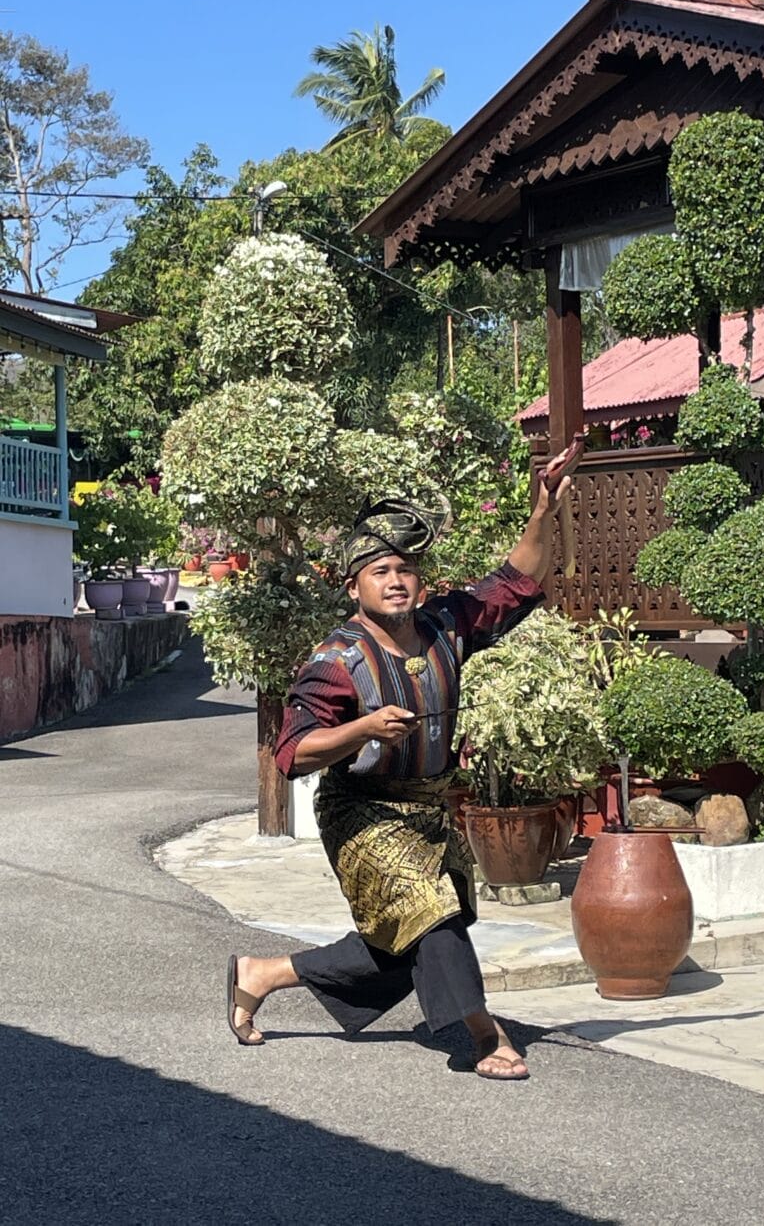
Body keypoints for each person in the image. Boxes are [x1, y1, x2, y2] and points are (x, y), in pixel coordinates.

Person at [227, 441, 582, 1080]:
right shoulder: (335, 661)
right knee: (432, 914)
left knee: (403, 941)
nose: (395, 581)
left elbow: (516, 581)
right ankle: (482, 1033)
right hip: (361, 812)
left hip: (430, 809)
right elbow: (292, 754)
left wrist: (543, 509)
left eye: (405, 570)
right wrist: (362, 728)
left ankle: (266, 973)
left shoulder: (449, 624)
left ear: (421, 581)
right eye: (379, 571)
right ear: (354, 585)